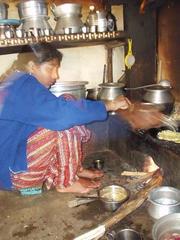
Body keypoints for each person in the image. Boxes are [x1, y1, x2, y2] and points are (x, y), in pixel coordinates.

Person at [0, 42, 131, 194]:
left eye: (57, 69)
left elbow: (59, 109)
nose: (56, 76)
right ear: (32, 66)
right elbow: (62, 116)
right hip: (13, 177)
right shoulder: (23, 87)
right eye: (51, 68)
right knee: (65, 124)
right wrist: (110, 104)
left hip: (14, 160)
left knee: (67, 100)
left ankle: (74, 169)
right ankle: (66, 182)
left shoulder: (19, 81)